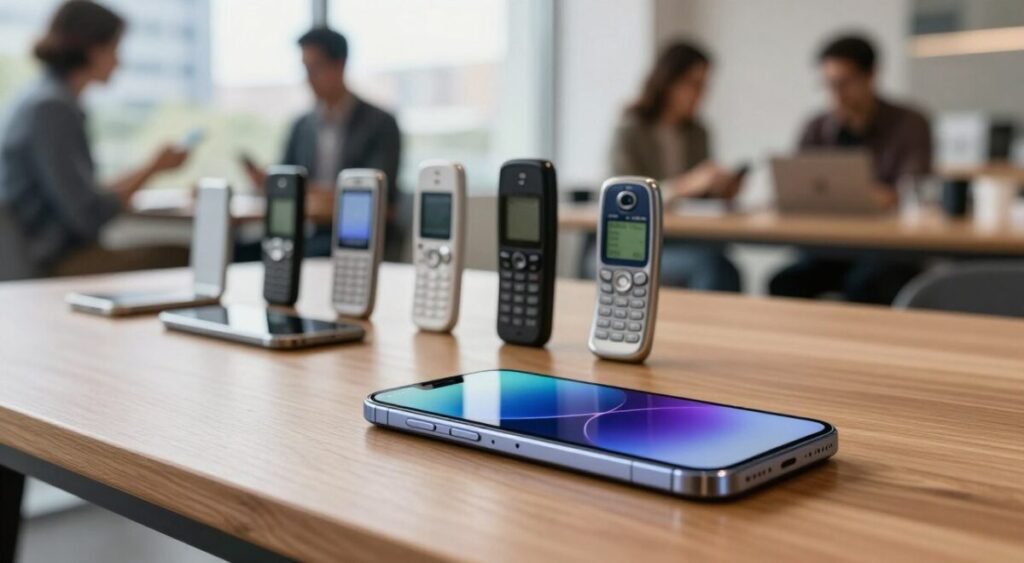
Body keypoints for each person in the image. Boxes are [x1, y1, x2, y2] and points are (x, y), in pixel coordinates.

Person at [0, 0, 192, 277]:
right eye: (114, 49)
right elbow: (87, 215)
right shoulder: (52, 109)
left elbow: (85, 195)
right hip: (53, 262)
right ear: (92, 49)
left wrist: (153, 167)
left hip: (44, 254)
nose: (118, 61)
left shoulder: (43, 99)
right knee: (187, 254)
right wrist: (153, 168)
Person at [769, 34, 932, 305]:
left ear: (870, 76)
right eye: (828, 84)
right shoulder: (816, 127)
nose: (835, 94)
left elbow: (910, 191)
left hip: (887, 250)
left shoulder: (910, 124)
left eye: (844, 83)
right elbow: (796, 186)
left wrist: (884, 196)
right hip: (826, 248)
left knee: (865, 284)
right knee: (785, 283)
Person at [590, 40, 742, 292]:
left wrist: (719, 189)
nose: (700, 94)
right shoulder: (630, 130)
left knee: (722, 259)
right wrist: (688, 184)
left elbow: (697, 199)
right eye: (693, 84)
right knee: (714, 266)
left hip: (683, 236)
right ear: (668, 82)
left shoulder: (698, 132)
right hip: (635, 245)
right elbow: (625, 197)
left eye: (705, 86)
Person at [243, 28, 402, 260]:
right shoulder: (301, 125)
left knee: (296, 256)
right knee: (241, 251)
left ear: (339, 65)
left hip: (356, 234)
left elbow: (374, 193)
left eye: (314, 68)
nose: (308, 79)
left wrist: (308, 190)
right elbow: (287, 179)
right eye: (304, 69)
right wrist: (268, 181)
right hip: (308, 230)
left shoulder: (380, 124)